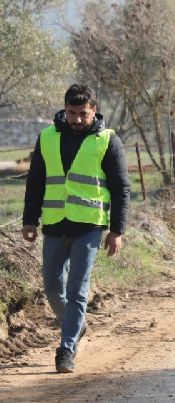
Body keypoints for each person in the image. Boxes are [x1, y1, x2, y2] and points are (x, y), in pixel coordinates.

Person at [21, 84, 130, 374]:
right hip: (55, 225)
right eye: (72, 113)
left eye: (83, 113)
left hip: (89, 227)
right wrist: (29, 220)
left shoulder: (108, 141)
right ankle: (77, 325)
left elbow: (121, 189)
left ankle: (66, 349)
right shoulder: (46, 137)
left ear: (94, 111)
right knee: (52, 288)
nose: (77, 119)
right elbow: (35, 182)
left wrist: (117, 230)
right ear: (64, 109)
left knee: (77, 290)